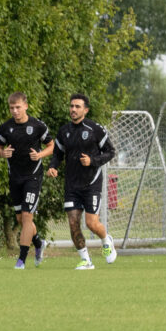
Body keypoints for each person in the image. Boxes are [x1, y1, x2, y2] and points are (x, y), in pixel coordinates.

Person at [47, 93, 117, 270]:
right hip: (72, 185)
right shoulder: (64, 131)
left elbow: (110, 151)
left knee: (91, 224)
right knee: (72, 223)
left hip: (91, 184)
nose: (73, 109)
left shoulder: (95, 129)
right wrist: (53, 166)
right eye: (71, 106)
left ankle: (105, 239)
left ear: (85, 110)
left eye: (77, 106)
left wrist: (92, 161)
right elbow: (57, 154)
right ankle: (86, 260)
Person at [0, 92, 54, 270]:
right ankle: (38, 243)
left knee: (28, 216)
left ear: (26, 106)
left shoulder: (37, 126)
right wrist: (2, 153)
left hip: (33, 176)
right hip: (15, 177)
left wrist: (40, 155)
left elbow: (51, 145)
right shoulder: (6, 128)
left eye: (18, 107)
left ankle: (21, 260)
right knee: (21, 218)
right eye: (12, 108)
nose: (15, 111)